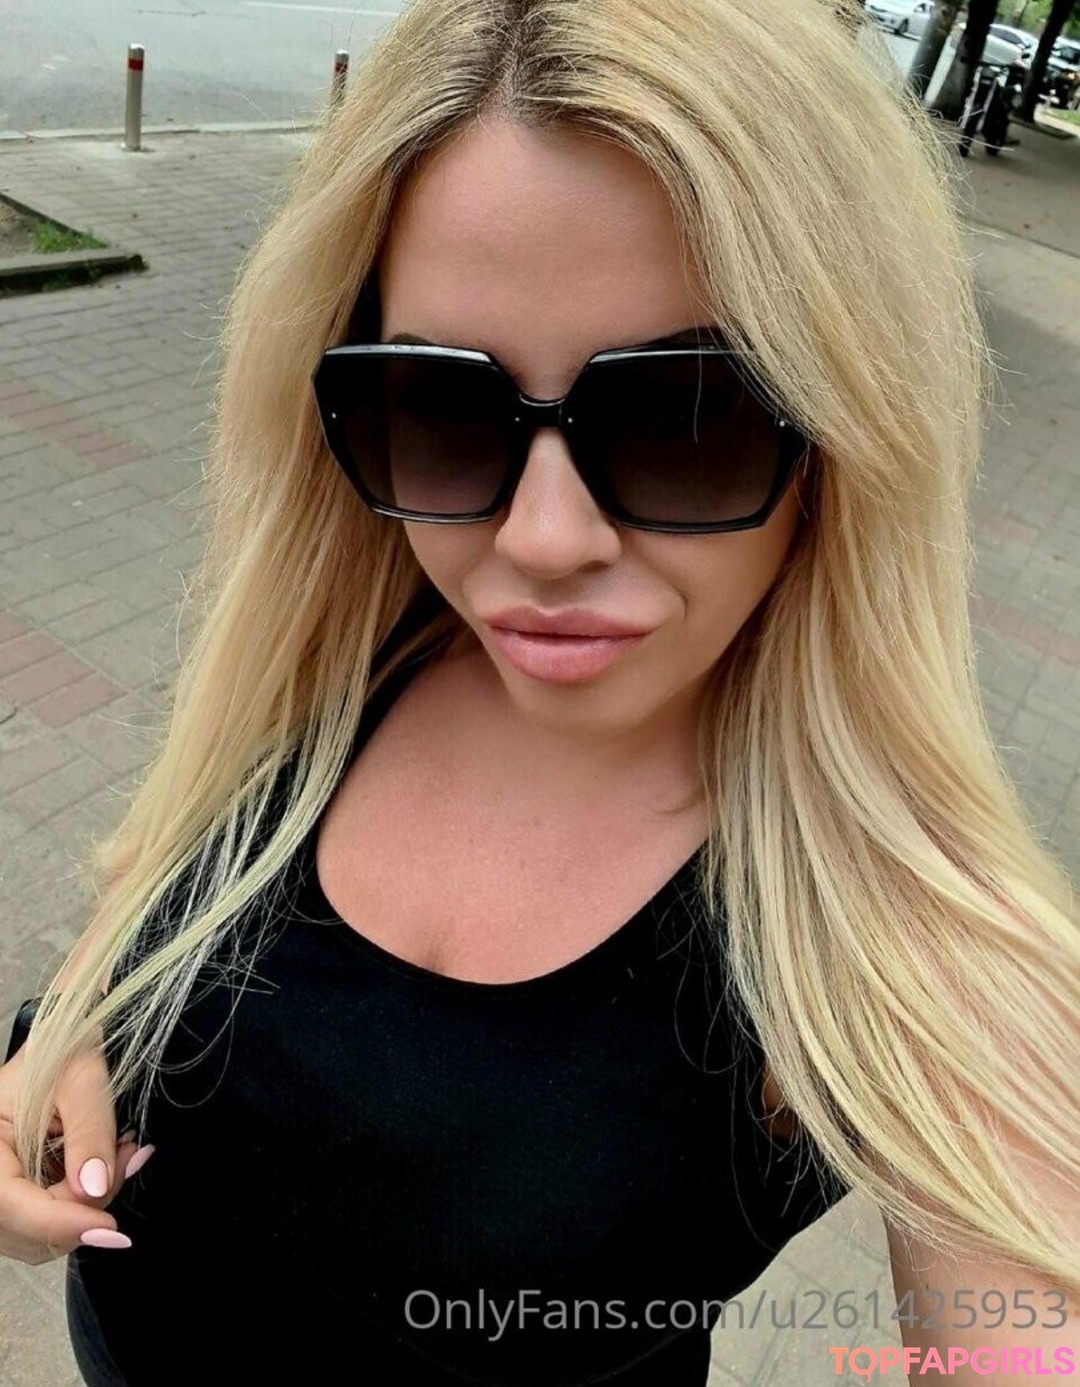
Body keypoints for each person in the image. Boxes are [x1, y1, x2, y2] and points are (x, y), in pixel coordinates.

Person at [2, 0, 1078, 1382]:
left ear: (849, 440)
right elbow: (167, 873)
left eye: (691, 417)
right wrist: (63, 1034)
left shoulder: (909, 939)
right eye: (438, 407)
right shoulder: (341, 652)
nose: (543, 540)